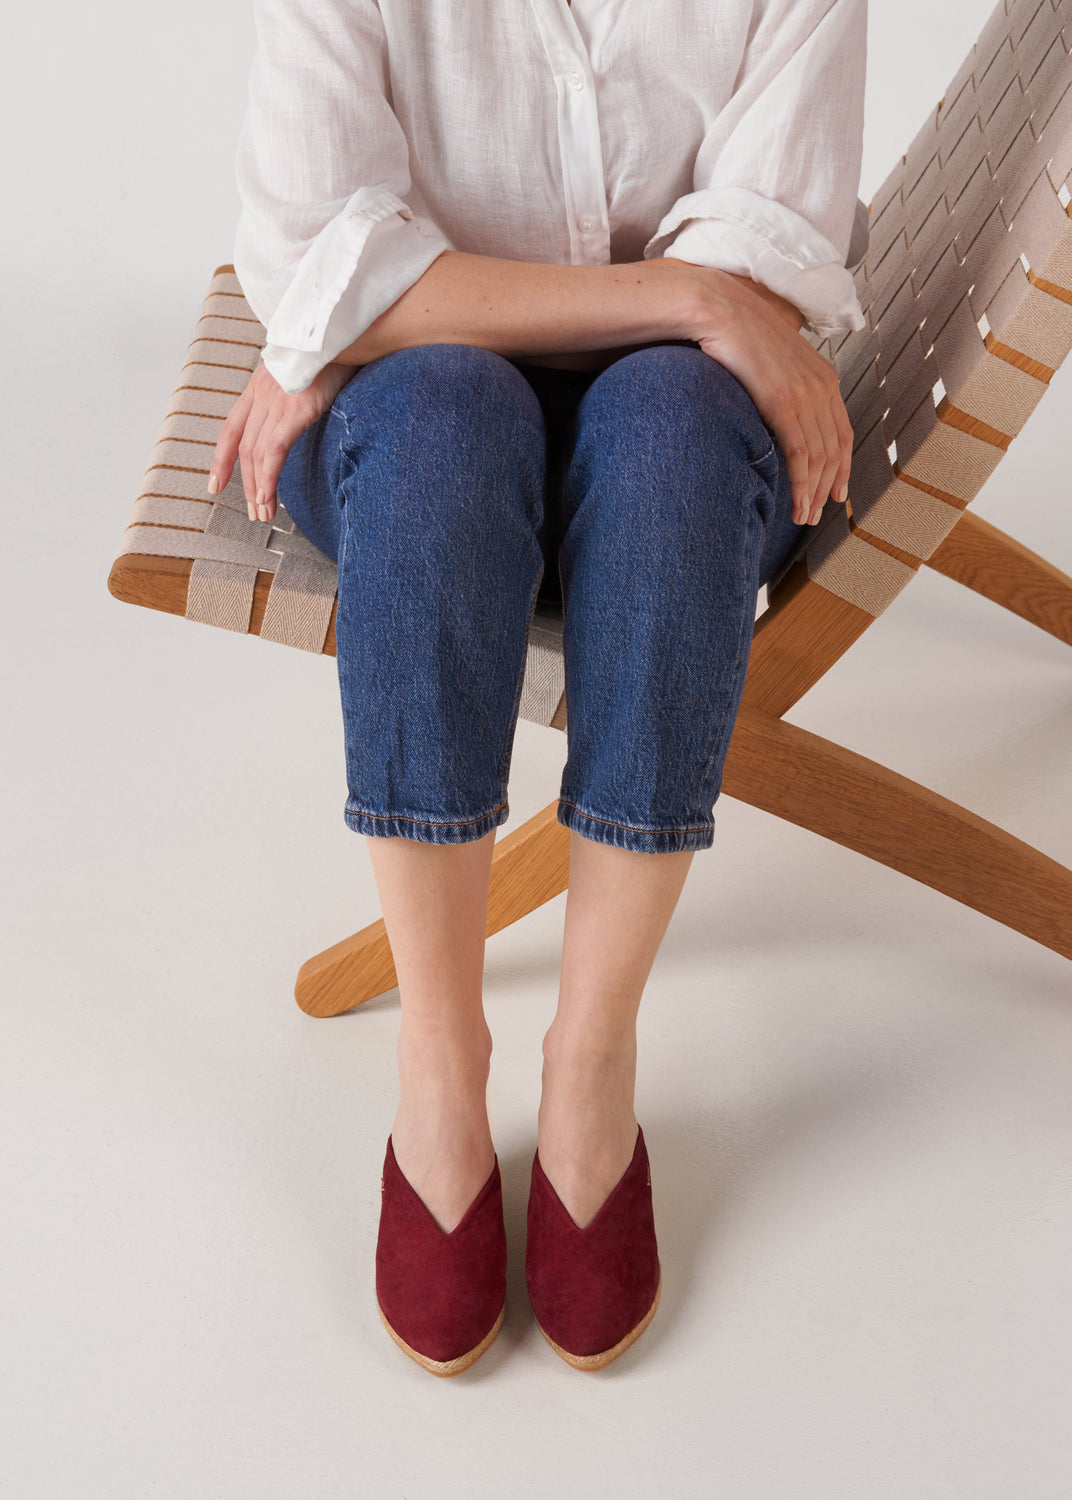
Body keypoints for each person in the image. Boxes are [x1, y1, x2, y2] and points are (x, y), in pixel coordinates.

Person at [208, 0, 868, 1375]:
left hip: (688, 429)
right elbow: (324, 266)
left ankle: (592, 1056)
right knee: (450, 425)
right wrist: (691, 299)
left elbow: (770, 258)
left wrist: (702, 309)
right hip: (407, 417)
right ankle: (440, 1063)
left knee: (669, 444)